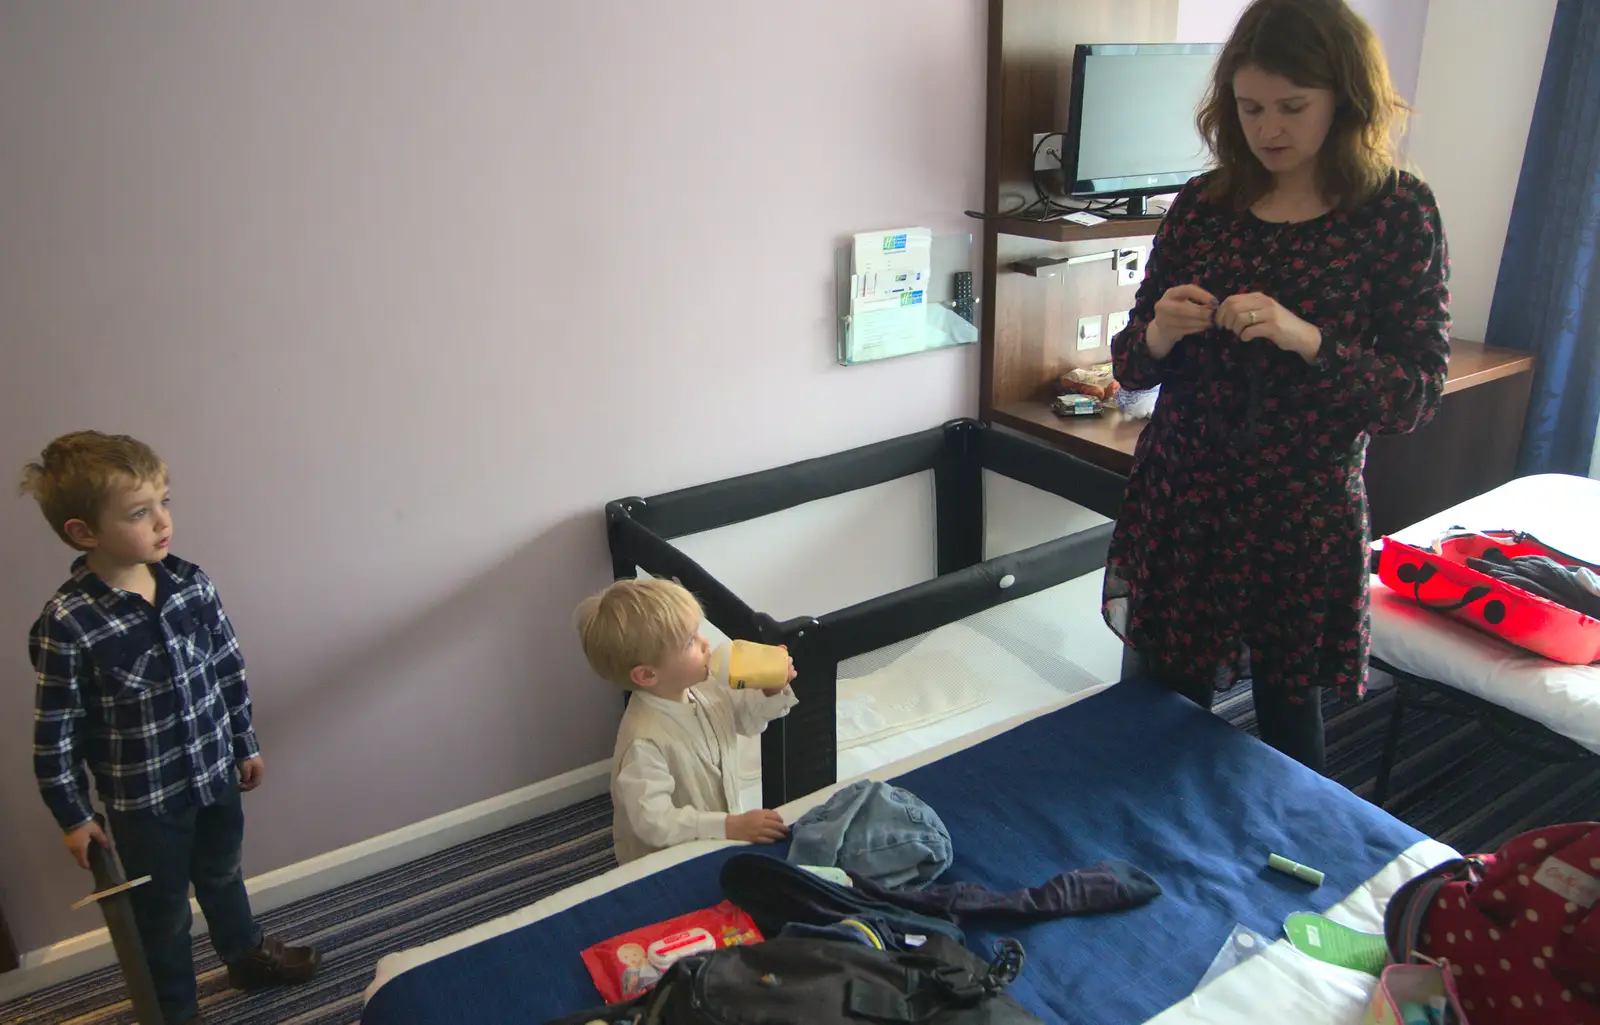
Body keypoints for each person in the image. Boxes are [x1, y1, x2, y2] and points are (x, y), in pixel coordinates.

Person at [1103, 0, 1451, 773]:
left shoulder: (1395, 213)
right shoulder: (1206, 204)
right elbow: (1130, 364)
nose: (1270, 129)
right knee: (1152, 712)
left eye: (1293, 107)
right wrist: (1160, 330)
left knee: (1290, 731)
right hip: (1184, 494)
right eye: (1251, 107)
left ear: (1346, 99)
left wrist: (1309, 341)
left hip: (1299, 510)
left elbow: (1415, 393)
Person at [21, 431, 320, 1025]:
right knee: (162, 913)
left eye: (165, 501)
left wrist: (244, 742)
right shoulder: (68, 623)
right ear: (83, 532)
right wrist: (73, 814)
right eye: (140, 512)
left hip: (214, 776)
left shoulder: (191, 585)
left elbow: (229, 669)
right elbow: (55, 731)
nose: (163, 521)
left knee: (223, 873)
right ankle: (176, 1011)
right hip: (145, 806)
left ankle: (244, 955)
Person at [575, 577, 797, 864]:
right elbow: (654, 821)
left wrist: (770, 689)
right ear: (647, 675)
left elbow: (746, 721)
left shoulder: (705, 688)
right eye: (690, 642)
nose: (706, 644)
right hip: (666, 862)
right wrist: (728, 825)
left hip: (719, 835)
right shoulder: (644, 741)